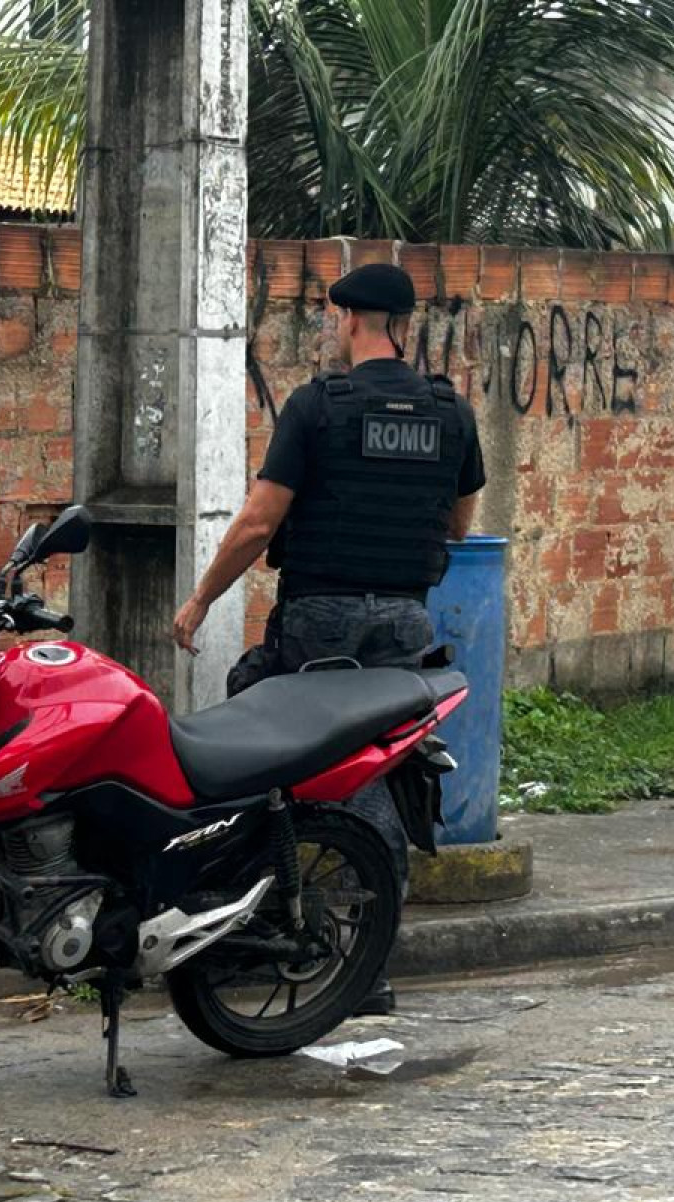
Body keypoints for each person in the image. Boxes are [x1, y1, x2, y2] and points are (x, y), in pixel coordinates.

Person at [170, 262, 485, 1015]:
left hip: (321, 619)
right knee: (373, 771)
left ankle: (257, 928)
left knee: (268, 750)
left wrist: (200, 601)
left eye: (331, 317)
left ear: (349, 320)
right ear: (404, 326)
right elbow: (458, 524)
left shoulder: (319, 406)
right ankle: (365, 965)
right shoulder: (451, 412)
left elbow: (257, 524)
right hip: (405, 621)